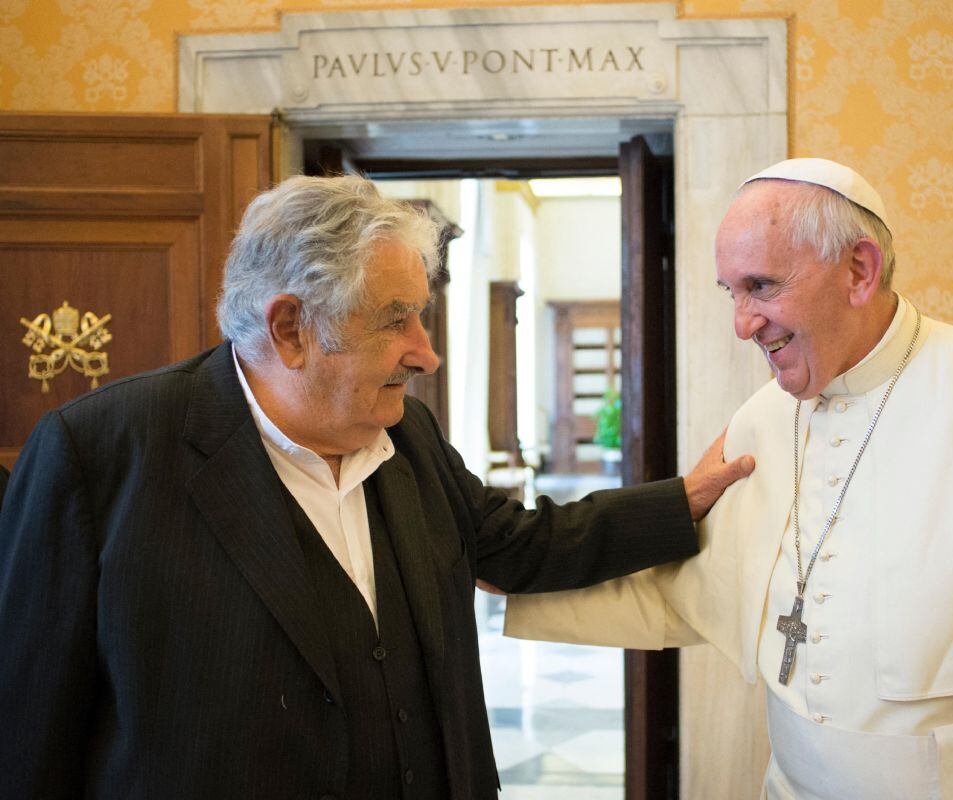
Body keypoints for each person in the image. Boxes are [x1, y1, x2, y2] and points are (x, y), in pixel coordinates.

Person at [0, 175, 753, 800]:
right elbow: (28, 730)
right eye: (396, 321)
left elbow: (518, 545)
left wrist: (680, 500)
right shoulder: (99, 457)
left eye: (420, 317)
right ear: (291, 328)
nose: (425, 353)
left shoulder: (406, 436)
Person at [505, 158, 953, 798]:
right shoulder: (762, 420)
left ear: (860, 270)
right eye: (731, 292)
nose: (743, 324)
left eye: (762, 286)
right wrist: (503, 566)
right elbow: (696, 591)